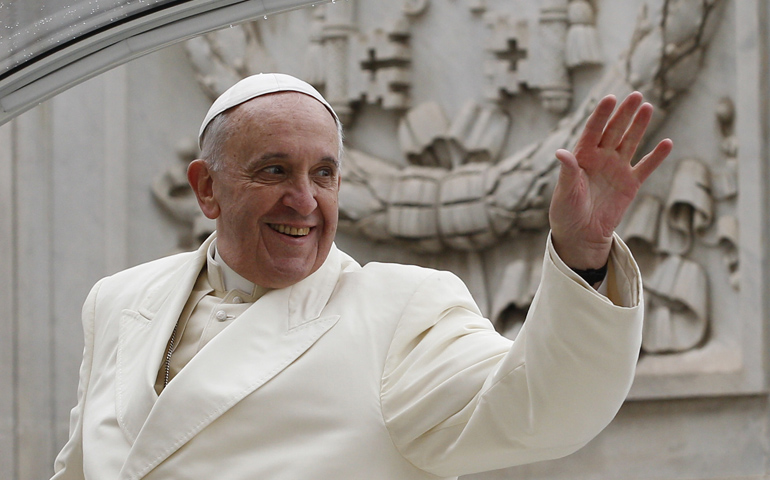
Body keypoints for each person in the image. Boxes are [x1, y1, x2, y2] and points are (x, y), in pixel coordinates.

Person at [51, 73, 672, 480]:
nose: (304, 200)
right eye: (273, 171)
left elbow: (543, 408)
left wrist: (582, 254)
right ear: (206, 188)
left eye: (323, 174)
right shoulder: (119, 299)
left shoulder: (400, 311)